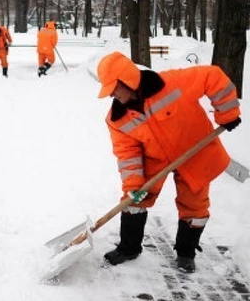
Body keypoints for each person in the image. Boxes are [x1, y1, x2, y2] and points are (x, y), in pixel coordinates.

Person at [96, 51, 241, 273]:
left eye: (115, 87)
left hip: (195, 151)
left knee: (195, 205)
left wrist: (228, 113)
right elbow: (127, 154)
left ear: (129, 80)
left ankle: (186, 253)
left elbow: (213, 76)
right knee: (134, 200)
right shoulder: (117, 119)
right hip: (154, 159)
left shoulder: (172, 83)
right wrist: (134, 185)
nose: (111, 95)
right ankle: (128, 248)